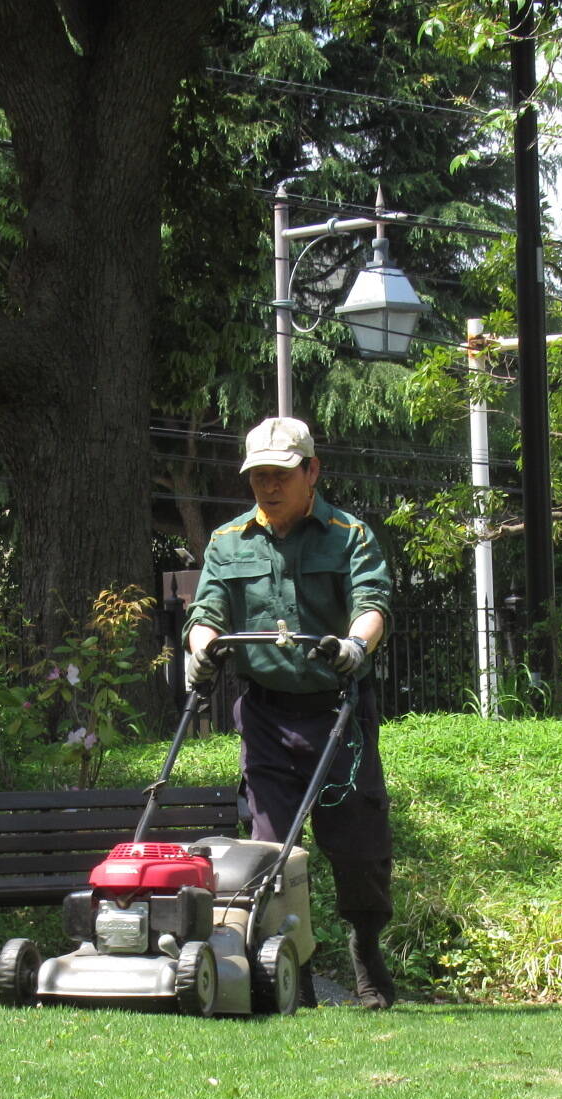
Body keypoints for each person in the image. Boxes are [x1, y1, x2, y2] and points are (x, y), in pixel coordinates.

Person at [183, 416, 398, 1008]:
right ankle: (290, 970)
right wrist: (200, 650)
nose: (268, 487)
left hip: (339, 712)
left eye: (281, 475)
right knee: (270, 849)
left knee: (358, 844)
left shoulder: (348, 535)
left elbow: (372, 603)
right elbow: (207, 612)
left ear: (311, 472)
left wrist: (356, 644)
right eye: (258, 477)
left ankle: (365, 951)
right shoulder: (229, 542)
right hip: (266, 717)